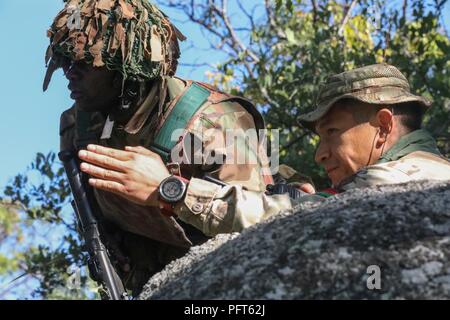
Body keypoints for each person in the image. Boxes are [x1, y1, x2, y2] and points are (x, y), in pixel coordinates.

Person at [44, 0, 276, 296]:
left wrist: (168, 190)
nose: (69, 73)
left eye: (84, 62)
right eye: (64, 60)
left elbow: (258, 226)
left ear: (128, 63)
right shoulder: (78, 126)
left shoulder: (213, 122)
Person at [79, 63, 450, 244]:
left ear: (384, 126)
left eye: (332, 132)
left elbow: (306, 219)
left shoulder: (400, 179)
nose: (320, 155)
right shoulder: (424, 172)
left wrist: (170, 190)